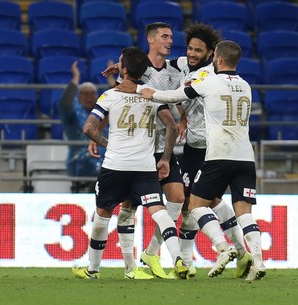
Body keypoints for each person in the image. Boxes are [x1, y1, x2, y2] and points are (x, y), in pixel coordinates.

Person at [116, 23, 252, 279]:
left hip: (213, 148)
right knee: (191, 204)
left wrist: (180, 116)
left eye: (198, 50)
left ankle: (228, 253)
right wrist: (120, 69)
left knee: (200, 202)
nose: (191, 53)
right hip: (192, 146)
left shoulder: (214, 74)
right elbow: (140, 66)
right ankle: (206, 259)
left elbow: (187, 95)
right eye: (189, 48)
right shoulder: (180, 65)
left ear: (212, 54)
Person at [71, 46, 189, 280]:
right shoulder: (151, 93)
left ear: (123, 69)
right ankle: (178, 259)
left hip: (115, 166)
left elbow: (88, 128)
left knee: (102, 215)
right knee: (159, 211)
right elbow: (172, 128)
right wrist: (165, 157)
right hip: (144, 167)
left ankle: (93, 270)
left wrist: (107, 143)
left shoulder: (109, 96)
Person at [99, 22, 186, 279]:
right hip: (140, 149)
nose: (169, 41)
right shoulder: (138, 71)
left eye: (171, 36)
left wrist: (184, 118)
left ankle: (152, 251)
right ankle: (130, 267)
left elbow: (183, 97)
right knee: (129, 208)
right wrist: (100, 132)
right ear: (151, 39)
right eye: (164, 36)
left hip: (164, 147)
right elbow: (115, 102)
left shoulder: (176, 70)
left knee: (177, 198)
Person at [58, 61, 108, 191]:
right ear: (79, 96)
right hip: (80, 162)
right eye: (84, 93)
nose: (89, 97)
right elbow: (65, 104)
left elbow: (122, 102)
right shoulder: (73, 114)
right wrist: (75, 79)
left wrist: (112, 80)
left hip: (105, 160)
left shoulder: (105, 114)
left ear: (97, 97)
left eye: (92, 93)